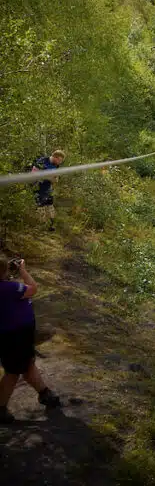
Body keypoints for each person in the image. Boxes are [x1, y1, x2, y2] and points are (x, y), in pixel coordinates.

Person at [0, 255, 61, 423]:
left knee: (27, 363)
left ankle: (45, 394)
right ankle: (0, 409)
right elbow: (33, 288)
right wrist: (22, 270)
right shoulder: (10, 288)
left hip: (16, 335)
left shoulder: (8, 287)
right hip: (15, 336)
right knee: (12, 373)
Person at [31, 150, 64, 232]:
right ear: (55, 157)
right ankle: (42, 226)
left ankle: (51, 225)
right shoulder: (42, 161)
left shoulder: (56, 165)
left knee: (50, 205)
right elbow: (33, 174)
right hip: (38, 188)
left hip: (48, 188)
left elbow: (56, 177)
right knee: (41, 207)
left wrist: (55, 179)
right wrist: (47, 177)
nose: (60, 162)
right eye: (59, 160)